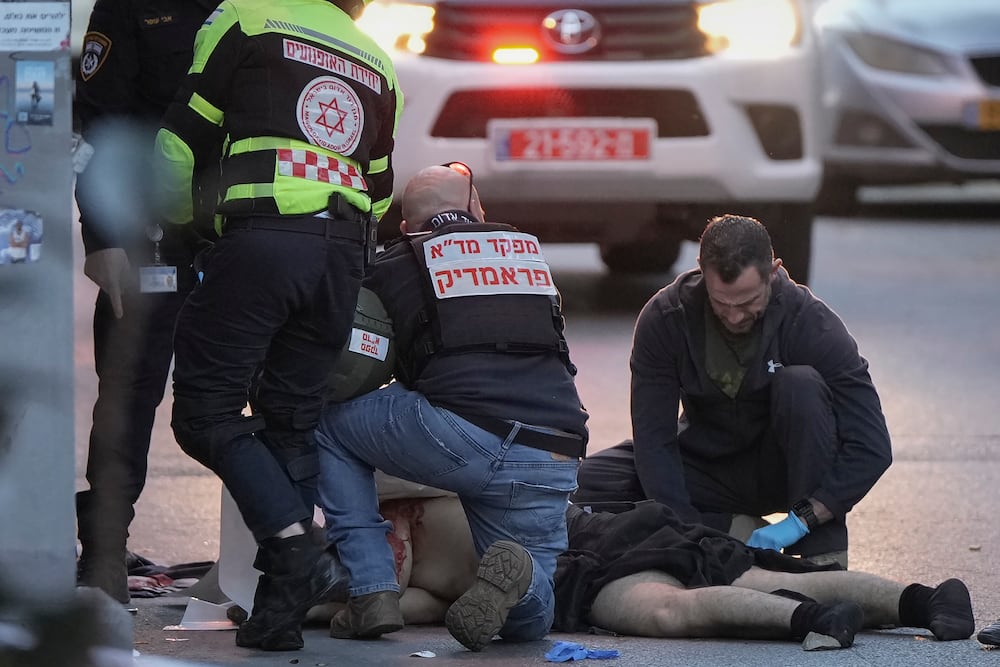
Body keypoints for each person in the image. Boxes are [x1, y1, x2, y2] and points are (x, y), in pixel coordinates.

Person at [151, 0, 402, 652]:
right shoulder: (375, 61)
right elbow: (378, 190)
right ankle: (277, 616)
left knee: (203, 412)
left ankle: (298, 542)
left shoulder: (244, 18)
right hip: (341, 259)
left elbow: (176, 147)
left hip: (264, 240)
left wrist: (182, 230)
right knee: (290, 420)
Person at [315, 164, 588, 651]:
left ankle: (372, 590)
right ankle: (519, 584)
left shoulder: (396, 260)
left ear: (405, 226)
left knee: (325, 429)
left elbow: (353, 347)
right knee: (531, 615)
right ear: (477, 209)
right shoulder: (527, 253)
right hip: (552, 450)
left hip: (458, 432)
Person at [571, 214, 893, 567]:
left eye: (747, 302)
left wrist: (805, 518)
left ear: (774, 272)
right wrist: (687, 533)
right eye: (721, 303)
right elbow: (655, 440)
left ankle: (818, 553)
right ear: (702, 273)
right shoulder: (666, 317)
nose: (735, 316)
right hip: (710, 468)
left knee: (800, 385)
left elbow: (871, 446)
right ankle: (730, 531)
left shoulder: (811, 323)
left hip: (788, 469)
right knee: (583, 484)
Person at [313, 492, 974, 650]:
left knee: (753, 575)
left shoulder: (426, 491)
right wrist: (317, 609)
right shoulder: (416, 587)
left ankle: (924, 599)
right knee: (670, 611)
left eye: (377, 543)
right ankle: (816, 619)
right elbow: (398, 612)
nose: (383, 563)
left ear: (392, 519)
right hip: (587, 583)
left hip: (601, 534)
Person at [73, 0, 220, 604]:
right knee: (129, 394)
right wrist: (101, 237)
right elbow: (97, 123)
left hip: (243, 235)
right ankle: (104, 551)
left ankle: (277, 549)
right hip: (148, 234)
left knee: (252, 401)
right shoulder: (132, 7)